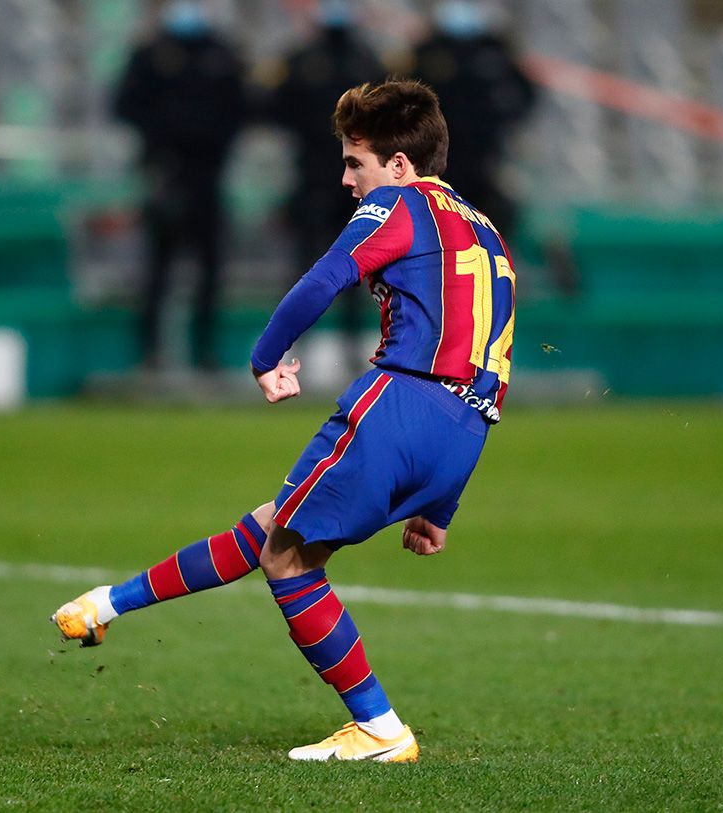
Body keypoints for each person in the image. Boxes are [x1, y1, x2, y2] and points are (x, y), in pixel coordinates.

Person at [52, 79, 516, 762]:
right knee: (275, 526)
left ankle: (380, 728)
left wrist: (266, 356)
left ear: (396, 164)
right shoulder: (484, 226)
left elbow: (325, 277)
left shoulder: (399, 202)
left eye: (355, 162)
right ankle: (105, 605)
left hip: (401, 401)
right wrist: (442, 502)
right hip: (466, 425)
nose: (345, 177)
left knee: (285, 558)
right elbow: (488, 354)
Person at [112, 0, 246, 371]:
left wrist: (212, 140)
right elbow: (124, 104)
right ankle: (150, 354)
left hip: (207, 176)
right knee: (157, 271)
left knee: (210, 273)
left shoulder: (222, 55)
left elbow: (241, 109)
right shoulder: (150, 54)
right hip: (164, 175)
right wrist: (163, 138)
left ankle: (205, 353)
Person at [257, 0, 385, 378]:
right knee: (307, 267)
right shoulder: (302, 60)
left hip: (358, 183)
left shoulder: (369, 61)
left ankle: (354, 347)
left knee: (360, 268)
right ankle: (294, 346)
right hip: (312, 177)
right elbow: (272, 108)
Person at [409, 0, 534, 238]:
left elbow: (523, 94)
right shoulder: (428, 52)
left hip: (483, 158)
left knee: (490, 219)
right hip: (437, 162)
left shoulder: (495, 51)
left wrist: (502, 120)